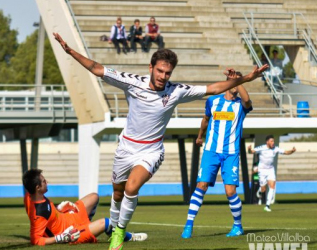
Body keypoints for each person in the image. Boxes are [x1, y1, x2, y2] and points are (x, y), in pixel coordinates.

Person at [52, 31, 269, 250]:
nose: (163, 76)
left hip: (151, 150)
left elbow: (213, 88)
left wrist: (246, 79)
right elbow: (97, 68)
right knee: (117, 192)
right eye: (160, 71)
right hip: (126, 147)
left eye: (168, 72)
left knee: (132, 187)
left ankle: (119, 232)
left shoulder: (176, 91)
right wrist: (70, 51)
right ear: (150, 67)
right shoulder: (132, 83)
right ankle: (115, 227)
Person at [181, 72, 252, 239]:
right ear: (227, 83)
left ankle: (237, 226)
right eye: (233, 82)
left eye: (238, 82)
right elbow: (205, 119)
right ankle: (188, 225)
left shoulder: (240, 105)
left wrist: (239, 81)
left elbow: (248, 101)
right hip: (211, 151)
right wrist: (200, 136)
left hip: (231, 153)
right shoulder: (213, 101)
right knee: (201, 185)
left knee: (230, 191)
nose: (235, 86)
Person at [22, 169, 147, 246]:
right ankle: (129, 237)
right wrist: (60, 238)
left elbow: (49, 214)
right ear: (37, 188)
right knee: (107, 223)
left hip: (68, 217)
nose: (47, 181)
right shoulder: (38, 213)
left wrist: (59, 208)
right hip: (71, 232)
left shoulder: (29, 196)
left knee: (94, 197)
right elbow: (36, 240)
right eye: (44, 181)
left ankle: (88, 227)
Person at [248, 135, 296, 212]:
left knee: (272, 186)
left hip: (270, 170)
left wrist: (292, 151)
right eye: (271, 141)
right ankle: (260, 190)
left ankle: (267, 206)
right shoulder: (262, 148)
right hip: (262, 170)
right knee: (263, 189)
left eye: (273, 141)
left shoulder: (275, 149)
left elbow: (285, 152)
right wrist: (249, 149)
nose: (273, 142)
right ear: (267, 142)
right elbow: (252, 152)